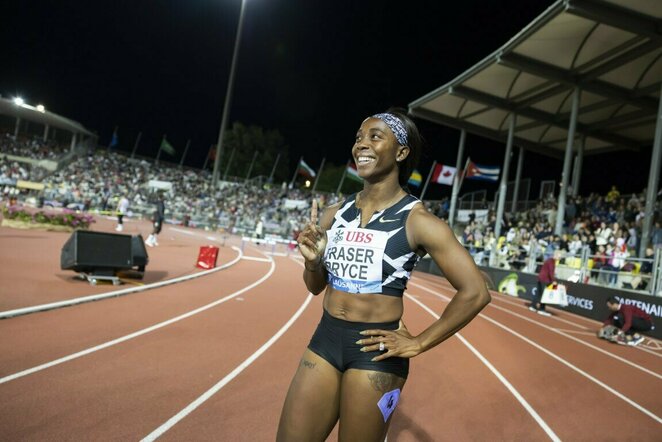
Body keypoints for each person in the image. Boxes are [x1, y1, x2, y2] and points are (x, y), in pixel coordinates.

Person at [277, 110, 491, 441]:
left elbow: (476, 291)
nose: (362, 144)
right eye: (359, 137)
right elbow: (314, 288)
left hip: (376, 352)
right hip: (326, 339)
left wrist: (419, 342)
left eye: (375, 137)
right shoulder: (336, 214)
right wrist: (313, 262)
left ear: (401, 152)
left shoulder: (419, 222)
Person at [529, 249, 561, 316]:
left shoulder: (549, 260)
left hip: (541, 278)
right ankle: (541, 309)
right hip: (545, 280)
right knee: (545, 295)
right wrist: (553, 281)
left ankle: (533, 306)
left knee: (538, 293)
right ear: (555, 255)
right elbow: (550, 272)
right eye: (559, 256)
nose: (559, 258)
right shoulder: (551, 261)